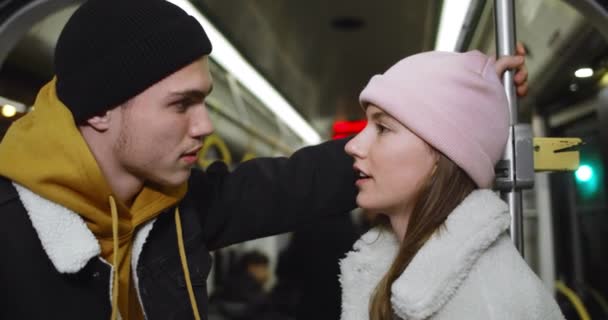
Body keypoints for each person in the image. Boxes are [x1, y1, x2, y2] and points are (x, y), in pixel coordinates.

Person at [0, 0, 528, 319]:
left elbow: (294, 184)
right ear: (100, 111)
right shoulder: (11, 230)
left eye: (204, 100)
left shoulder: (175, 206)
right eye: (181, 104)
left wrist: (460, 97)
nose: (204, 126)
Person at [340, 50, 564, 320]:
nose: (352, 145)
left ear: (442, 158)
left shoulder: (487, 305)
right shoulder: (398, 270)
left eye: (383, 128)